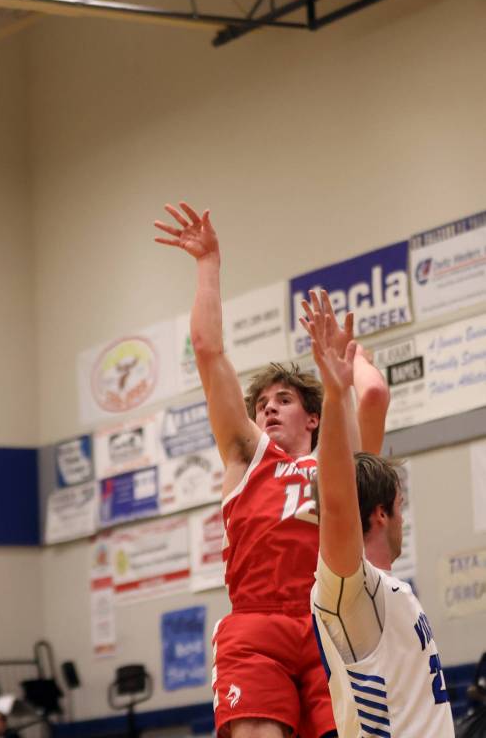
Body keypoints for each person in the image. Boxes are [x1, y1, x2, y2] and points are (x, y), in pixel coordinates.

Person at [155, 203, 390, 738]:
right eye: (261, 402)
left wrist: (352, 359)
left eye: (282, 399)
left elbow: (373, 394)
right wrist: (208, 264)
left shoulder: (336, 455)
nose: (267, 408)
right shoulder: (245, 455)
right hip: (257, 622)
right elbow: (208, 351)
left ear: (312, 416)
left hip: (331, 617)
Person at [305, 306, 455, 737]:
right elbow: (336, 501)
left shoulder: (389, 589)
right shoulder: (351, 591)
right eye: (401, 506)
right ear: (382, 512)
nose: (403, 520)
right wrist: (334, 396)